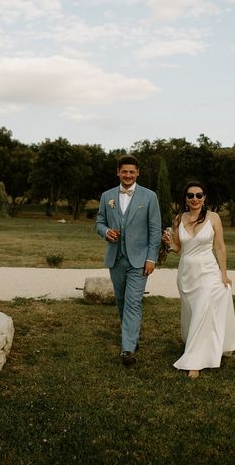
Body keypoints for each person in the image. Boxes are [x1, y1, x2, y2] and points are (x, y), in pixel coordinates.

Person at [162, 181, 235, 378]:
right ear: (185, 199)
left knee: (203, 309)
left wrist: (223, 274)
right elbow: (179, 248)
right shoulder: (179, 219)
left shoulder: (214, 218)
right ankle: (201, 345)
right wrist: (169, 244)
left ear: (204, 197)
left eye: (199, 195)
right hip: (186, 273)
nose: (195, 199)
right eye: (190, 195)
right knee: (193, 312)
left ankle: (194, 362)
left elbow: (220, 247)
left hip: (208, 271)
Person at [96, 154, 161, 366]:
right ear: (118, 172)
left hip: (140, 259)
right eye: (124, 171)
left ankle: (127, 350)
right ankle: (131, 336)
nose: (128, 175)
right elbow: (99, 222)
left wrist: (152, 258)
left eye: (132, 172)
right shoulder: (107, 196)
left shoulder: (149, 196)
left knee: (133, 301)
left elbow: (155, 229)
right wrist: (106, 232)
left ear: (138, 173)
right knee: (121, 301)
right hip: (116, 258)